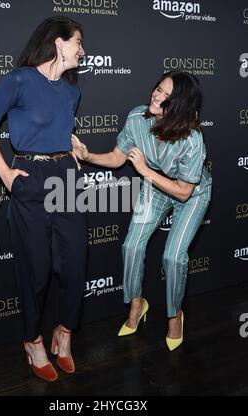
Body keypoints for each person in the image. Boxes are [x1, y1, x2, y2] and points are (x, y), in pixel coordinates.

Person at [0, 16, 87, 381]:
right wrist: (6, 175)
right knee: (35, 269)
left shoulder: (72, 90)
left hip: (67, 178)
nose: (83, 52)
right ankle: (33, 341)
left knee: (74, 265)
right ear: (58, 43)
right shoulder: (19, 80)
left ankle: (65, 334)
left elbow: (60, 127)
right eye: (78, 44)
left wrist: (73, 144)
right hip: (30, 179)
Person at [72, 70, 212, 351]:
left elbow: (184, 190)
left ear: (181, 105)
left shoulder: (192, 139)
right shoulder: (137, 118)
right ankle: (137, 304)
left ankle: (175, 316)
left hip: (192, 193)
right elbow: (116, 157)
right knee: (131, 246)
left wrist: (145, 171)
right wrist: (87, 156)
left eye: (166, 95)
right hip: (157, 184)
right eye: (158, 88)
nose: (157, 96)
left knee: (173, 257)